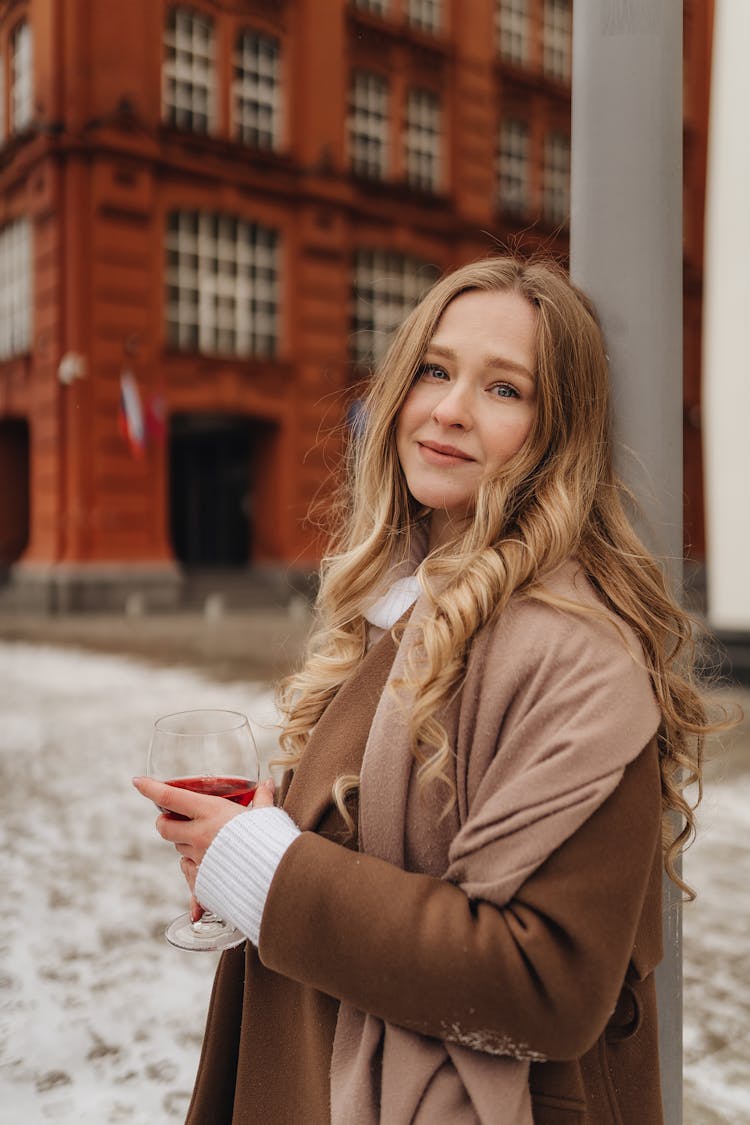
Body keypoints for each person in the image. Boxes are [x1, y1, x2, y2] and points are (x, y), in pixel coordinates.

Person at [134, 256, 715, 1124]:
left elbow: (544, 982)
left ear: (558, 432)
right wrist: (272, 831)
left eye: (504, 388)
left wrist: (269, 869)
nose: (449, 409)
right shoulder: (406, 605)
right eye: (435, 371)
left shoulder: (572, 653)